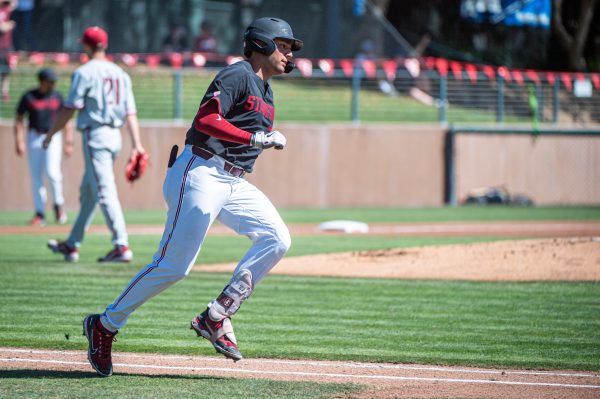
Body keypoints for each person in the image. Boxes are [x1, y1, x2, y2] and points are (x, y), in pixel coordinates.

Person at [81, 16, 302, 377]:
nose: (289, 52)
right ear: (261, 43)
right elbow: (205, 121)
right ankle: (105, 324)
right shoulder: (239, 74)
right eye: (284, 44)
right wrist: (255, 139)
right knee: (173, 266)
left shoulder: (266, 90)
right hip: (200, 171)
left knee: (278, 238)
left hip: (232, 181)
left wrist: (254, 141)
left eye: (290, 47)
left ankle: (217, 315)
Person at [43, 26, 146, 263]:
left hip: (96, 135)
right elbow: (131, 112)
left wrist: (51, 133)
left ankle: (121, 245)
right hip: (115, 136)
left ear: (87, 46)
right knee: (89, 192)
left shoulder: (84, 71)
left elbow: (70, 108)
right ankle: (72, 244)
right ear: (105, 45)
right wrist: (137, 144)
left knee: (104, 191)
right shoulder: (121, 73)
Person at [14, 68, 73, 226]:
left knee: (53, 173)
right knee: (36, 176)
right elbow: (19, 119)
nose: (53, 84)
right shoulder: (29, 96)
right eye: (50, 81)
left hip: (53, 135)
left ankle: (58, 207)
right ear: (42, 81)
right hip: (34, 136)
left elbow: (66, 119)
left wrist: (69, 141)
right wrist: (19, 141)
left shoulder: (57, 96)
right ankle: (40, 213)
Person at [0, 0, 15, 102]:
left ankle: (5, 93)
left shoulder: (6, 8)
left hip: (6, 46)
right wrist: (9, 24)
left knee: (6, 71)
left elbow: (14, 3)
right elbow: (2, 28)